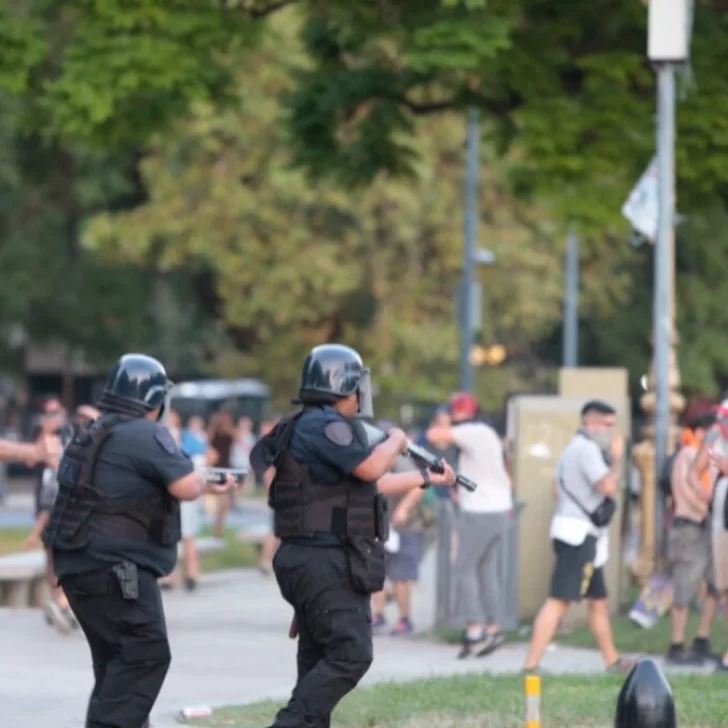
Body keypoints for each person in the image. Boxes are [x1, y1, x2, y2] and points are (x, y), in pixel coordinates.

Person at [252, 343, 455, 728]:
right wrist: (397, 440)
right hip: (324, 560)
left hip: (310, 558)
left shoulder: (303, 424)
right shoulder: (325, 425)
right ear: (345, 387)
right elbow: (370, 469)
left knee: (318, 658)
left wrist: (427, 476)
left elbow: (365, 486)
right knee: (351, 655)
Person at [43, 353, 238, 728]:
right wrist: (205, 480)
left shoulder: (93, 433)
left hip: (76, 566)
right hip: (117, 571)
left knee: (115, 666)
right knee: (145, 655)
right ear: (155, 399)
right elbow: (183, 485)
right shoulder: (144, 432)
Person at [524, 400, 632, 674]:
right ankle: (531, 665)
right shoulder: (585, 449)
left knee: (598, 601)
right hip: (578, 535)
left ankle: (612, 660)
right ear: (591, 423)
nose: (612, 432)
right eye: (608, 425)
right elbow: (608, 485)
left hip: (581, 533)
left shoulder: (574, 449)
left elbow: (555, 491)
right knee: (560, 599)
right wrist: (618, 458)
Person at [426, 392, 513, 657]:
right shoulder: (485, 433)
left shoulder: (472, 430)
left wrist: (442, 421)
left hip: (480, 511)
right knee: (486, 568)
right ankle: (494, 627)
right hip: (497, 510)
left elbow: (434, 436)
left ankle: (475, 628)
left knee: (464, 566)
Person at [666, 412, 719, 665]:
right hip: (689, 526)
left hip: (708, 526)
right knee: (685, 586)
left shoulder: (706, 457)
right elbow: (687, 491)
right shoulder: (688, 455)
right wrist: (709, 509)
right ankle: (676, 645)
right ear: (701, 431)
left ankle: (702, 639)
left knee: (714, 585)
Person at [693, 400, 728, 673]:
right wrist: (704, 495)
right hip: (722, 516)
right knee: (724, 588)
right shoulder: (717, 433)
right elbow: (696, 469)